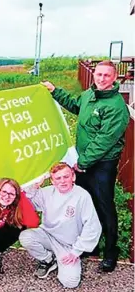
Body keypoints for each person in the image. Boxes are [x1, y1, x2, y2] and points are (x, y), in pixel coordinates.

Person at [41, 60, 130, 272]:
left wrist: (81, 163)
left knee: (104, 207)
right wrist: (55, 91)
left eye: (106, 76)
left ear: (114, 78)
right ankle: (90, 247)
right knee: (84, 204)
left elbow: (103, 141)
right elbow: (75, 105)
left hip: (102, 165)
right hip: (84, 161)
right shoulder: (89, 95)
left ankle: (110, 252)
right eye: (98, 74)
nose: (101, 79)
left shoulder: (116, 107)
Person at [19, 163, 101, 289]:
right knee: (26, 237)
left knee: (70, 282)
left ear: (73, 177)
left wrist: (75, 252)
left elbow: (92, 226)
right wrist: (34, 186)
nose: (62, 181)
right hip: (48, 235)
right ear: (52, 180)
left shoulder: (82, 195)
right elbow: (27, 203)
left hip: (68, 245)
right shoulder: (46, 193)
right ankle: (48, 259)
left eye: (66, 177)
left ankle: (61, 260)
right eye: (58, 178)